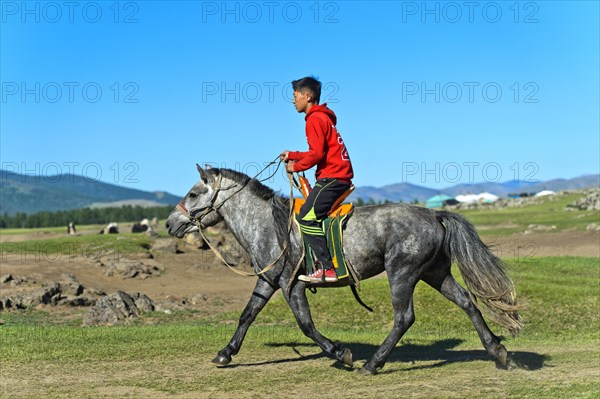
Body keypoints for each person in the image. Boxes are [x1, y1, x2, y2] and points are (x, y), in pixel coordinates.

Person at [280, 76, 354, 284]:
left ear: (307, 96)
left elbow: (317, 155)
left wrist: (296, 166)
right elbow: (315, 151)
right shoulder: (322, 118)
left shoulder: (314, 119)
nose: (293, 101)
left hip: (333, 177)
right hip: (336, 175)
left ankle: (328, 268)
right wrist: (293, 155)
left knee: (305, 217)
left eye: (295, 96)